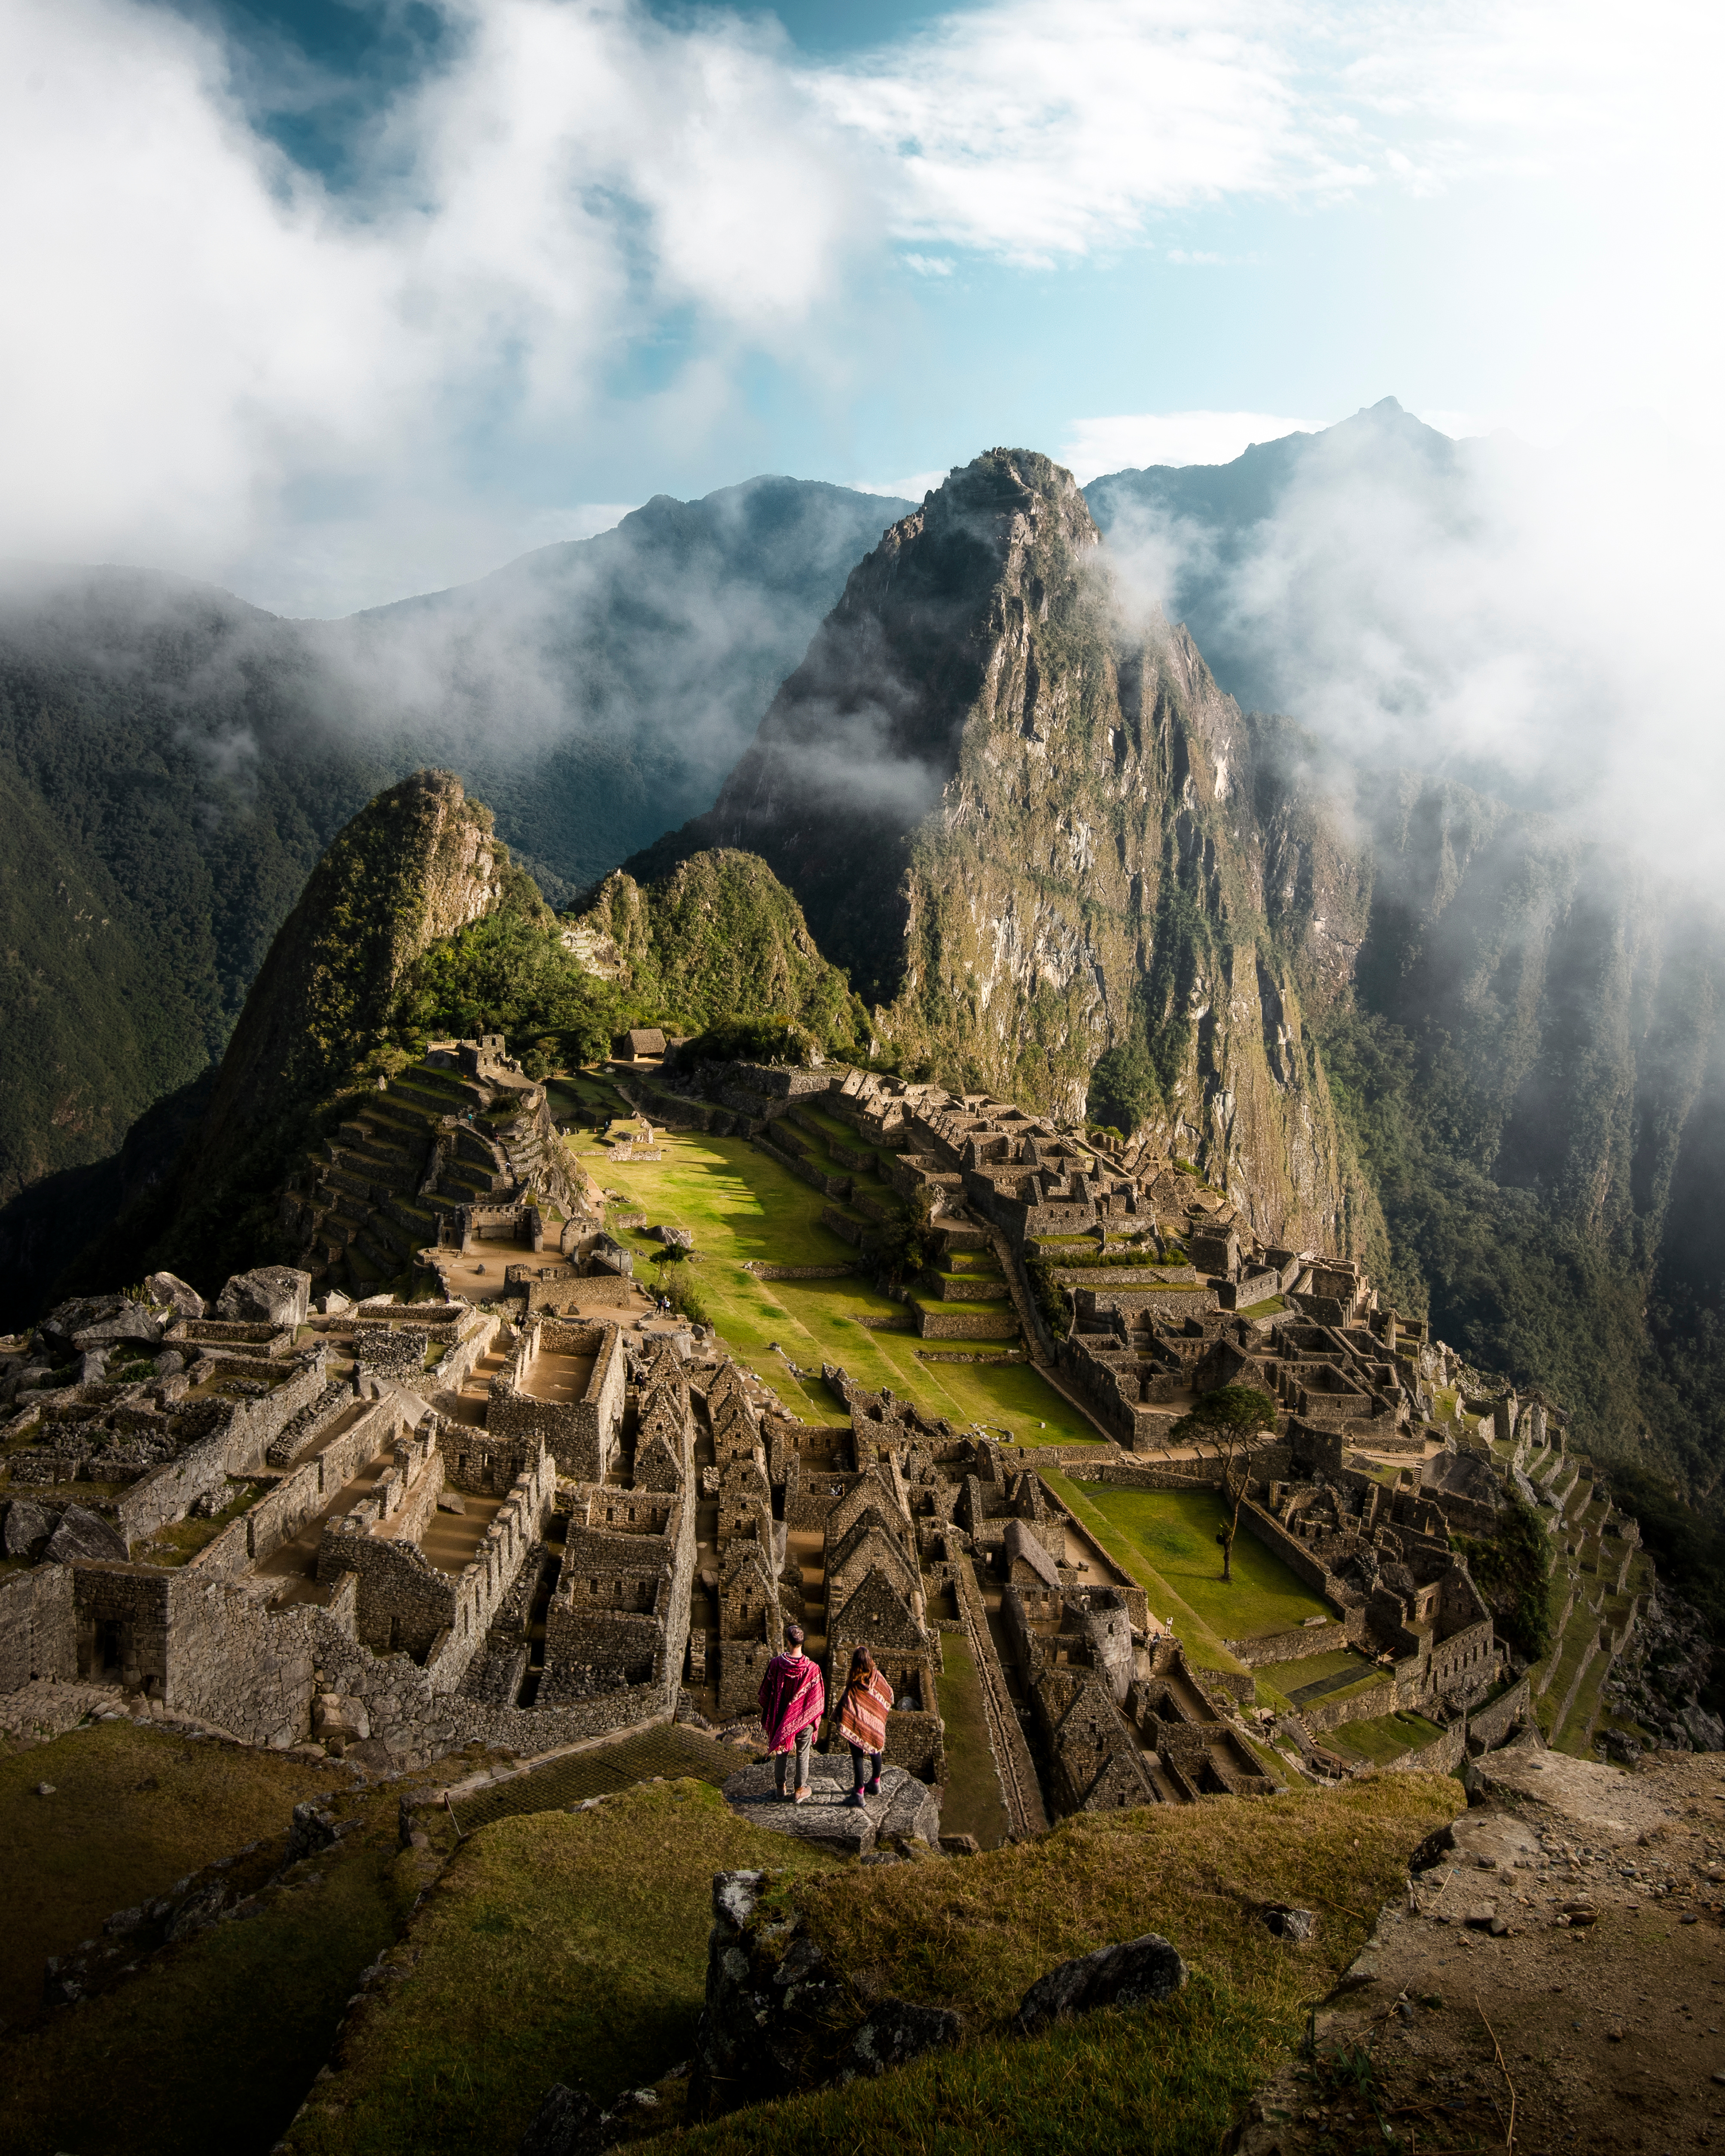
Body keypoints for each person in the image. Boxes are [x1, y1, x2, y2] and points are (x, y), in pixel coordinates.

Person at [757, 1624, 823, 1804]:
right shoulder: (812, 1669)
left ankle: (780, 1790)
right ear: (803, 1643)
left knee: (781, 1750)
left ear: (788, 1642)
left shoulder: (777, 1664)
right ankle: (799, 1791)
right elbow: (817, 1699)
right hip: (804, 1718)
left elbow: (766, 1692)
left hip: (782, 1716)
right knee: (803, 1753)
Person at [834, 1646, 893, 1807]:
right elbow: (889, 1694)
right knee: (876, 1751)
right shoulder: (878, 1677)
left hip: (857, 1727)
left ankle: (859, 1793)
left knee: (858, 1758)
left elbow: (847, 1708)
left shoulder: (854, 1685)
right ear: (869, 1661)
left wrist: (840, 1716)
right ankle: (876, 1783)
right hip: (875, 1727)